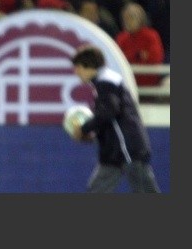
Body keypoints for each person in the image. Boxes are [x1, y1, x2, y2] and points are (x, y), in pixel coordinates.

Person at [69, 45, 160, 193]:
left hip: (127, 150)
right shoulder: (105, 81)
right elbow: (112, 120)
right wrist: (92, 135)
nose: (76, 72)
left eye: (78, 67)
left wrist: (83, 128)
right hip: (114, 152)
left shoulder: (106, 82)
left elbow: (109, 112)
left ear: (89, 66)